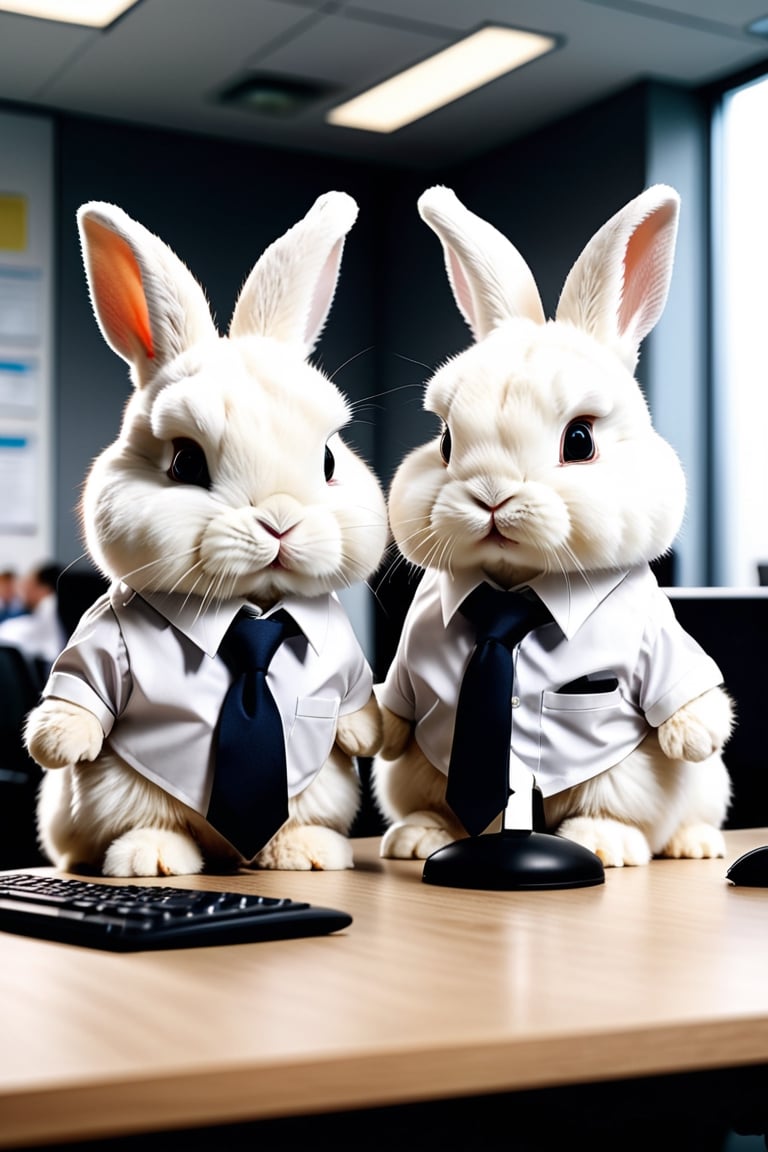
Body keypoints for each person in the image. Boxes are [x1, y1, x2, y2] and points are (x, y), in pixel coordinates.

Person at [0, 561, 67, 671]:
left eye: (28, 583)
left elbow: (13, 634)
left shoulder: (50, 607)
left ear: (44, 588)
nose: (21, 590)